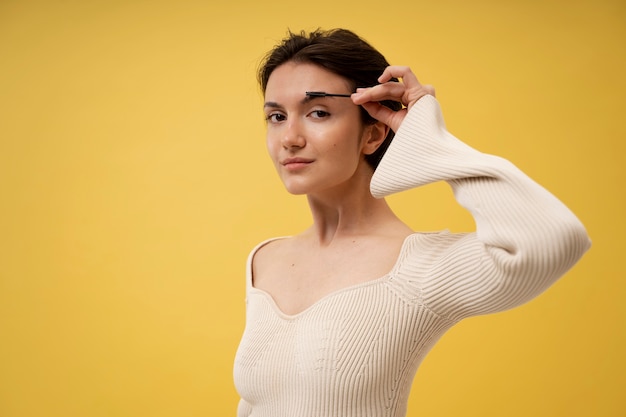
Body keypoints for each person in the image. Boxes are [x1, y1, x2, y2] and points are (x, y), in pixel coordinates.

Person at [233, 28, 591, 417]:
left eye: (318, 112)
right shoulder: (264, 260)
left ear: (373, 134)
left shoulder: (419, 269)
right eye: (276, 116)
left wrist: (429, 137)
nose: (289, 138)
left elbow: (554, 239)